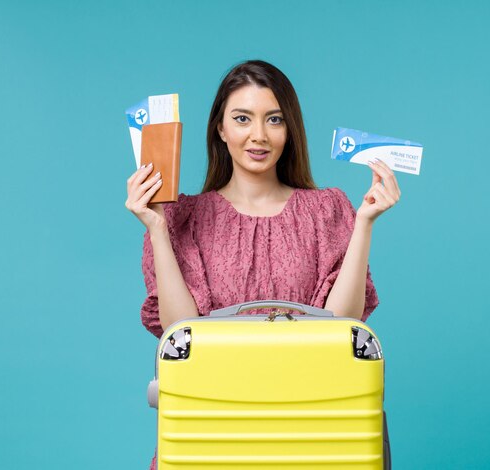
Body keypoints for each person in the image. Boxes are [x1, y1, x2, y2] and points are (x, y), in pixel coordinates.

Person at [125, 60, 401, 468]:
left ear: (289, 130)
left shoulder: (327, 210)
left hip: (312, 438)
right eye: (242, 118)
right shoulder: (181, 217)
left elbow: (342, 327)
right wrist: (157, 228)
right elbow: (181, 335)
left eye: (274, 119)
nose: (258, 135)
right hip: (211, 439)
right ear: (220, 129)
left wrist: (364, 223)